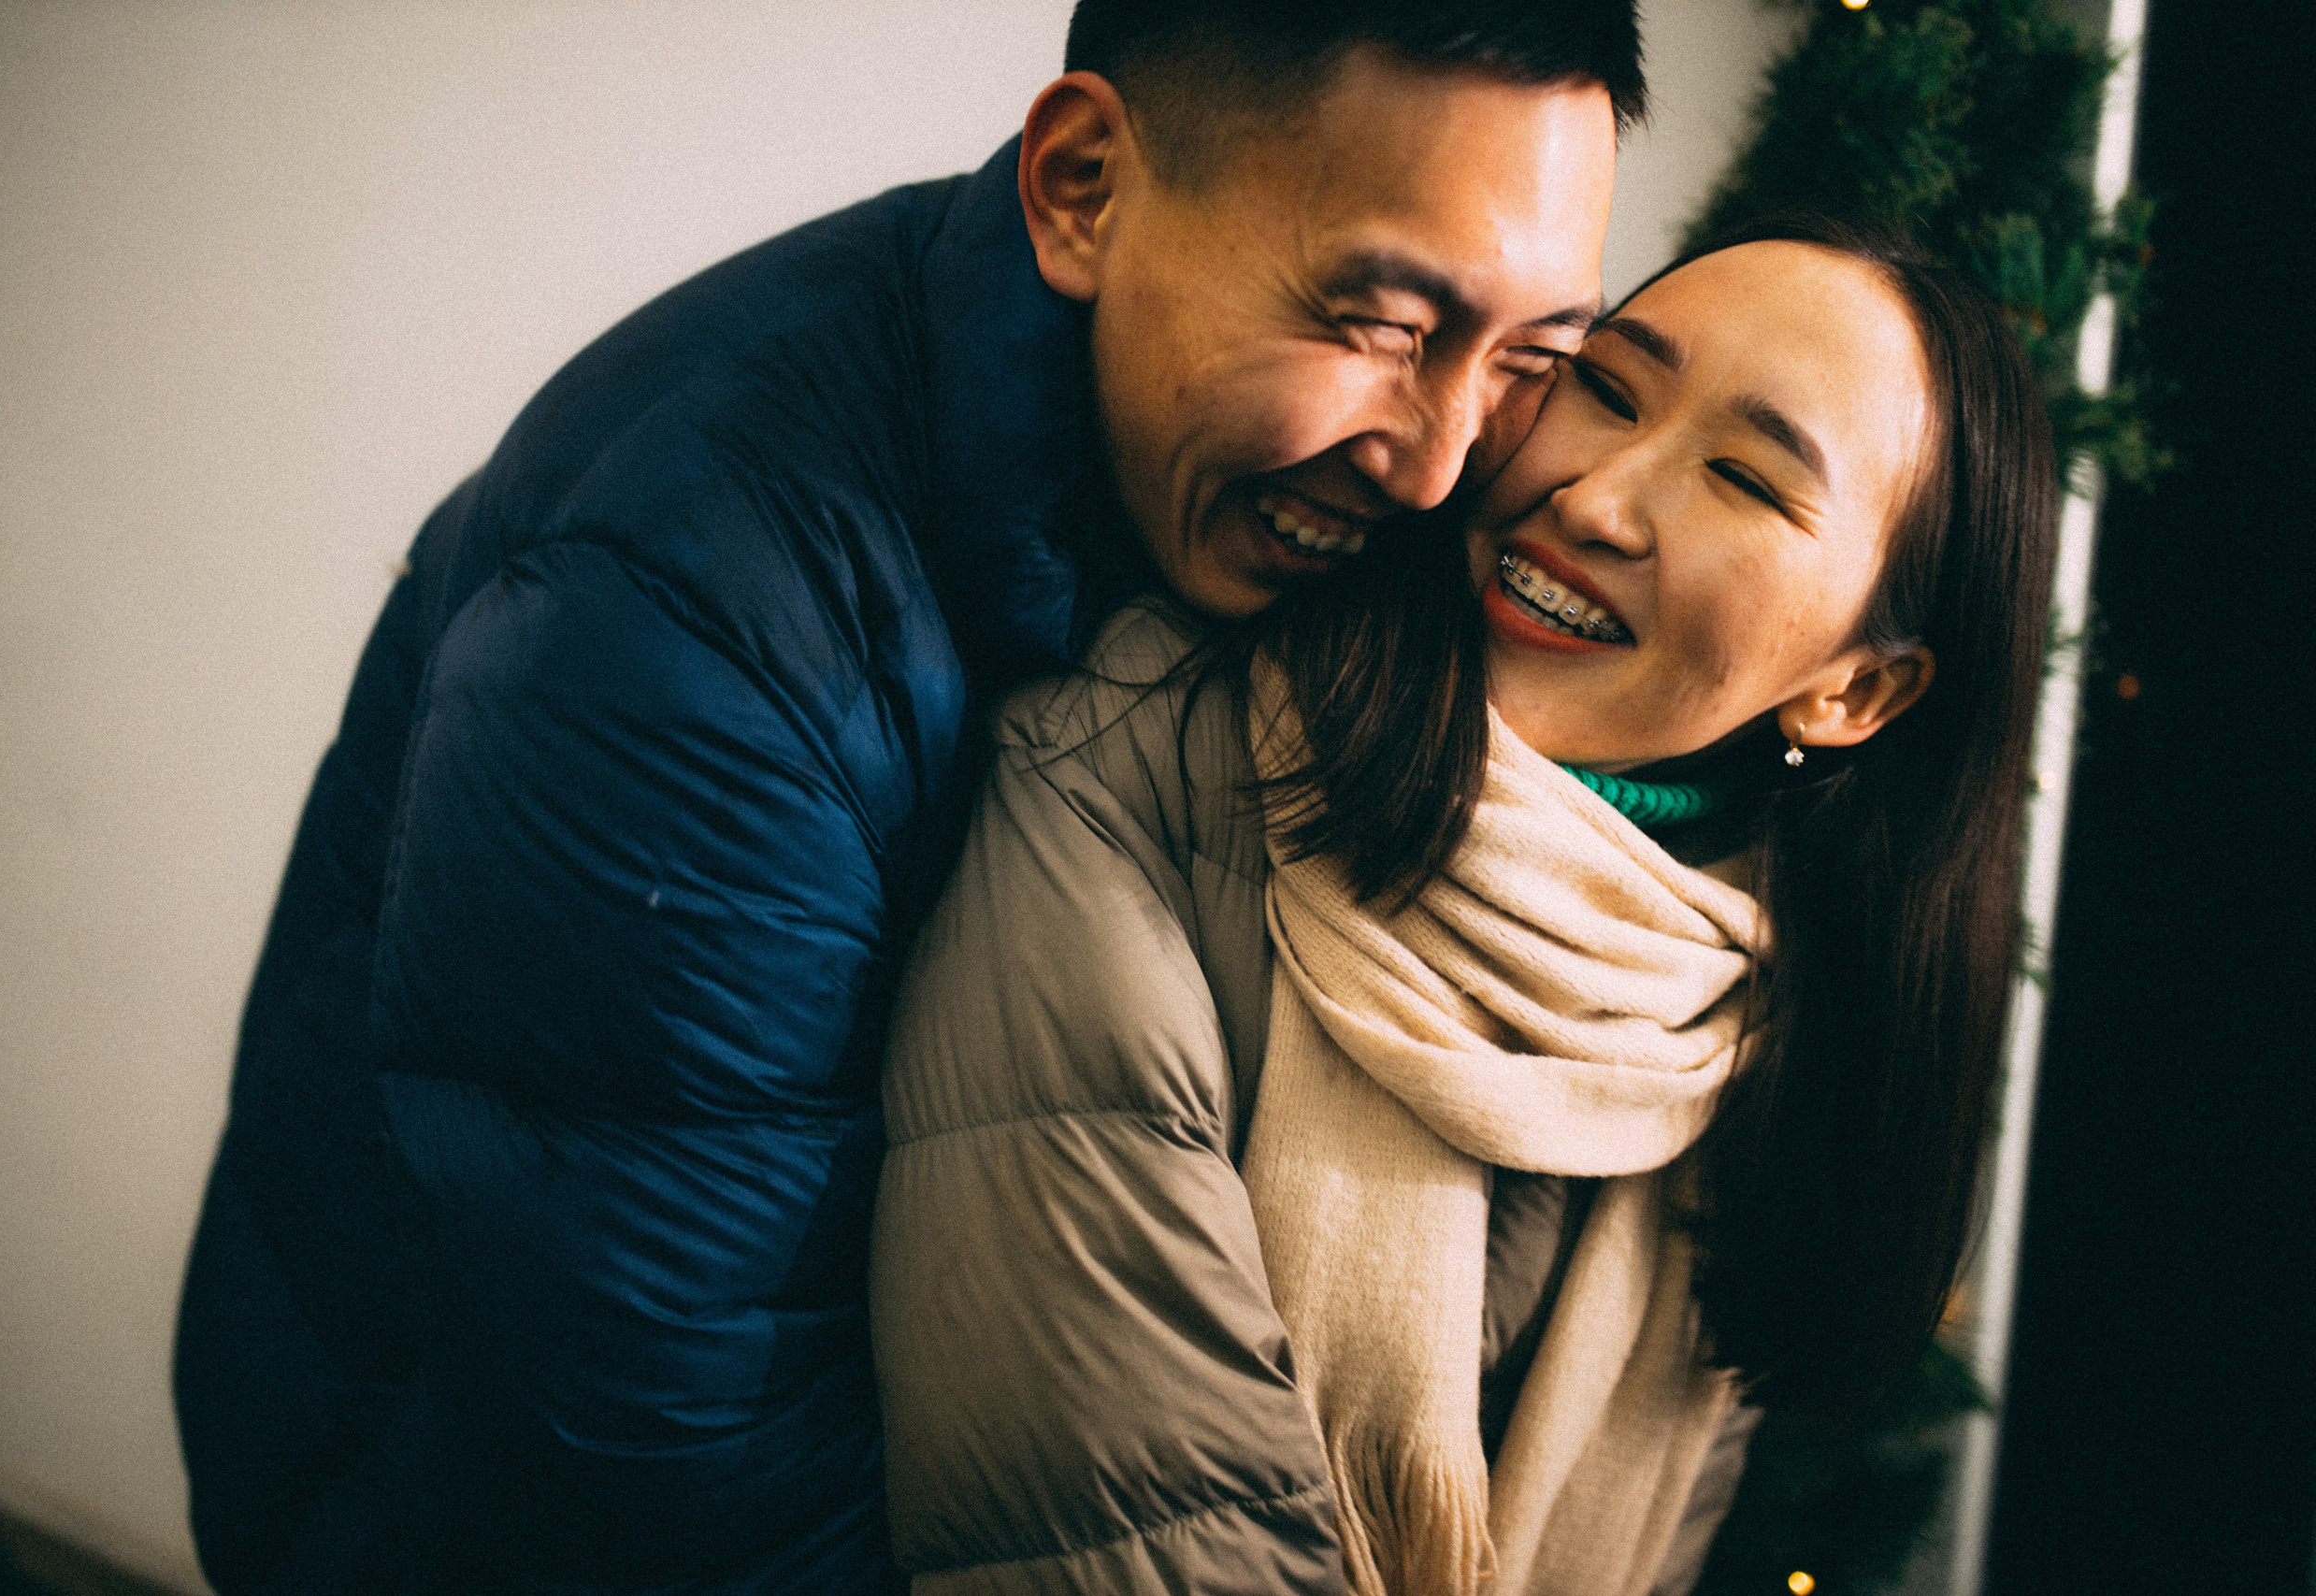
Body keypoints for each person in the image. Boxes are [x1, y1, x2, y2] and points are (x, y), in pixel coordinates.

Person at [169, 4, 1644, 1591]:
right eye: (1379, 324)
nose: (1436, 469)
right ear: (1080, 187)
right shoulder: (702, 619)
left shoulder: (1240, 501)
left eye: (1538, 358)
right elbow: (680, 1468)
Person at [870, 215, 2057, 1594]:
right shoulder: (1147, 764)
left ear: (1854, 690)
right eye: (1604, 386)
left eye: (1742, 476)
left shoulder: (1746, 1036)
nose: (1598, 497)